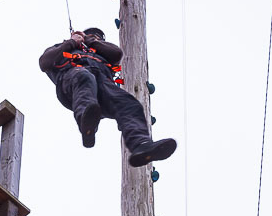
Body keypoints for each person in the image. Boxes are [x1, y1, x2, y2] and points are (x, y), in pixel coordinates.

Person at [39, 27, 176, 167]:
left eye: (97, 37)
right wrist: (72, 42)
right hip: (73, 83)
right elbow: (44, 63)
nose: (94, 38)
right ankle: (86, 121)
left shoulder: (103, 53)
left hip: (102, 85)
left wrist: (90, 41)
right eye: (90, 35)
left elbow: (117, 54)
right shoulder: (64, 48)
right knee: (84, 77)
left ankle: (141, 144)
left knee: (128, 104)